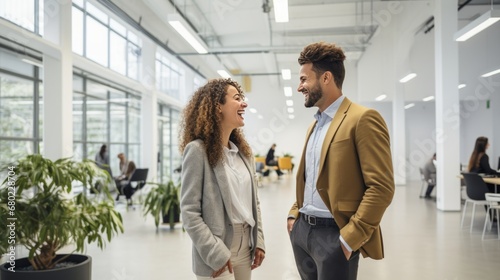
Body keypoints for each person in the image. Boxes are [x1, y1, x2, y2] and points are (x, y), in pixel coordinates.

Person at [287, 42, 395, 280]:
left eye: (304, 79)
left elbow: (381, 187)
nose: (299, 87)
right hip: (303, 231)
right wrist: (294, 215)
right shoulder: (315, 125)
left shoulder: (363, 119)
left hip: (335, 234)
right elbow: (310, 178)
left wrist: (349, 239)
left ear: (326, 78)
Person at [179, 78, 265, 280]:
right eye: (237, 98)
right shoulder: (197, 151)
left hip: (246, 246)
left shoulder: (244, 154)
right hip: (216, 248)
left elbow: (255, 202)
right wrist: (214, 252)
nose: (244, 103)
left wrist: (258, 240)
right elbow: (189, 211)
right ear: (218, 106)